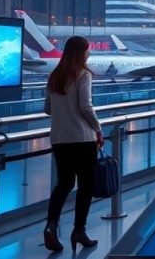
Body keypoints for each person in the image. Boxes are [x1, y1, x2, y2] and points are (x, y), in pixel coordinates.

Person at [43, 36, 103, 252]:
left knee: (64, 184)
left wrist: (63, 111)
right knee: (85, 185)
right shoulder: (83, 74)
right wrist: (98, 128)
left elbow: (48, 108)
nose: (89, 53)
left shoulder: (54, 75)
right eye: (88, 49)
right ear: (81, 52)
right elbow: (86, 106)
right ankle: (79, 230)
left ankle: (51, 225)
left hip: (59, 139)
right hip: (82, 138)